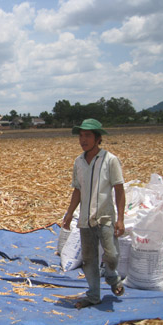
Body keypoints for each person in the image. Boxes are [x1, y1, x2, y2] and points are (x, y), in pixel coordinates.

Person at [62, 118, 126, 309]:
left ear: (98, 138)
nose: (83, 139)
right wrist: (69, 213)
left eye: (88, 135)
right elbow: (78, 190)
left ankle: (112, 276)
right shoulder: (79, 162)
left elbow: (119, 190)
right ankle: (94, 295)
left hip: (105, 218)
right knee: (89, 260)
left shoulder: (110, 160)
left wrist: (120, 219)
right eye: (81, 136)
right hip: (85, 221)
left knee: (112, 256)